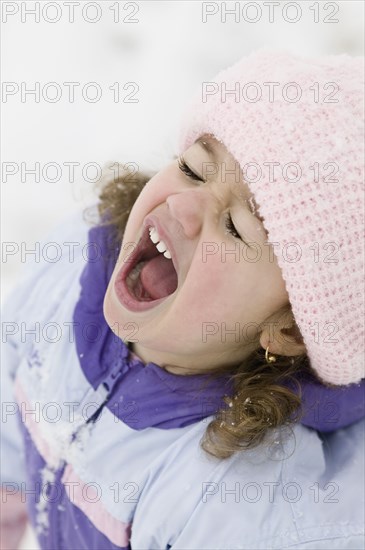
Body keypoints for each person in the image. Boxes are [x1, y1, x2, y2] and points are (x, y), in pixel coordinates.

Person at [1, 49, 364, 550]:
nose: (185, 205)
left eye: (235, 227)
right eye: (194, 170)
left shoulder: (230, 501)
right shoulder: (68, 274)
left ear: (289, 329)